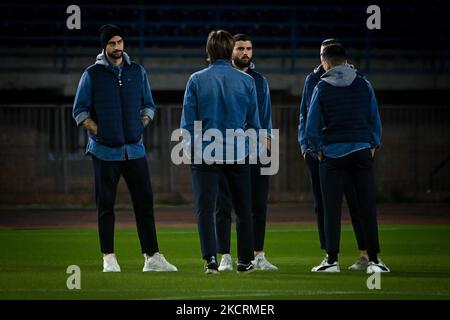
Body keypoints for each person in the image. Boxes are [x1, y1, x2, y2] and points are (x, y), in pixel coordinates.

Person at [72, 24, 177, 273]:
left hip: (135, 150)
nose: (117, 47)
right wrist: (101, 132)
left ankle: (152, 257)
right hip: (104, 152)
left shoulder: (137, 71)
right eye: (112, 43)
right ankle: (109, 257)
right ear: (104, 46)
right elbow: (80, 111)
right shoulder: (92, 74)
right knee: (105, 205)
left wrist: (140, 126)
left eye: (120, 42)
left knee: (145, 203)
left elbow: (149, 106)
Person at [180, 30, 261, 274]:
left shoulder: (196, 79)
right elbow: (253, 123)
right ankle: (245, 261)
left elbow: (188, 123)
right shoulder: (247, 81)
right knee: (244, 210)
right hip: (238, 153)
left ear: (209, 51)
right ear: (230, 50)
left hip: (205, 153)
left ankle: (210, 261)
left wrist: (189, 150)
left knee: (205, 210)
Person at [305, 44, 389, 273]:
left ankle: (332, 260)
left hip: (332, 154)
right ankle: (374, 260)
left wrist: (318, 149)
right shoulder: (364, 82)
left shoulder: (321, 86)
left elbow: (311, 126)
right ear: (345, 60)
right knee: (366, 207)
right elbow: (374, 117)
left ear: (326, 63)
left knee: (331, 208)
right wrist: (372, 144)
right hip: (361, 152)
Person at [298, 39, 370, 271]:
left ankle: (363, 254)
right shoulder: (313, 79)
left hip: (336, 149)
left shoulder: (353, 79)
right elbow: (305, 114)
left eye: (324, 54)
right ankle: (330, 254)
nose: (322, 59)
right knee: (324, 205)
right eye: (320, 53)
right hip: (320, 151)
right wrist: (307, 147)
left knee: (357, 203)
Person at [215, 34, 277, 272]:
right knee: (224, 205)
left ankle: (258, 254)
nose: (245, 53)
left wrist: (269, 138)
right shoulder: (222, 78)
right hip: (227, 149)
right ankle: (225, 256)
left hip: (258, 149)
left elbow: (266, 113)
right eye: (240, 48)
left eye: (249, 48)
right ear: (231, 51)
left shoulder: (261, 81)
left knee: (258, 205)